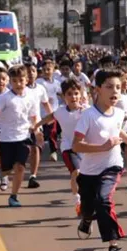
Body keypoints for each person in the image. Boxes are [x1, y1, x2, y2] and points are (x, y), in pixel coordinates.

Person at [73, 69, 127, 251]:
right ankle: (87, 220)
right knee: (88, 208)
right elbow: (76, 145)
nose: (115, 91)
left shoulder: (119, 112)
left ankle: (114, 247)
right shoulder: (88, 116)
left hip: (111, 167)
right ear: (97, 90)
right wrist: (101, 147)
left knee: (103, 200)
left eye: (118, 88)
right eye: (109, 87)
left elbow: (119, 132)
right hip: (88, 171)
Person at [0, 66, 41, 207]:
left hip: (23, 137)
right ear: (11, 82)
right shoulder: (6, 98)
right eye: (14, 81)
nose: (18, 84)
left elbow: (34, 116)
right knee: (7, 169)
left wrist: (37, 130)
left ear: (26, 80)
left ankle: (14, 196)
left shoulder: (31, 97)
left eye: (21, 80)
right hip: (6, 138)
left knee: (20, 167)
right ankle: (0, 171)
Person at [35, 79, 85, 215]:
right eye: (69, 94)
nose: (73, 97)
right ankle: (78, 201)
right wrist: (36, 126)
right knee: (76, 173)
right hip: (68, 148)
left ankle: (87, 198)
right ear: (63, 97)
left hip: (86, 149)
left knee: (88, 177)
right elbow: (49, 117)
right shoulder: (60, 111)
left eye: (76, 93)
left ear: (80, 95)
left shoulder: (87, 111)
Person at [24, 63, 53, 188]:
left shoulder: (40, 88)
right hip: (21, 124)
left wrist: (52, 116)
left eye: (33, 71)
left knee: (36, 148)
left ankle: (33, 176)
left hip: (36, 124)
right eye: (28, 71)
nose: (31, 74)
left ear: (37, 73)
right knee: (25, 150)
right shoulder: (20, 88)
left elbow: (46, 103)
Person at [37, 60, 63, 162]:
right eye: (44, 70)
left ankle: (53, 152)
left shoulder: (57, 83)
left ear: (53, 70)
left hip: (54, 112)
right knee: (42, 134)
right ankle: (38, 149)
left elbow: (62, 94)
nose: (46, 71)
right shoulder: (39, 82)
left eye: (48, 69)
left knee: (53, 132)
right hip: (41, 113)